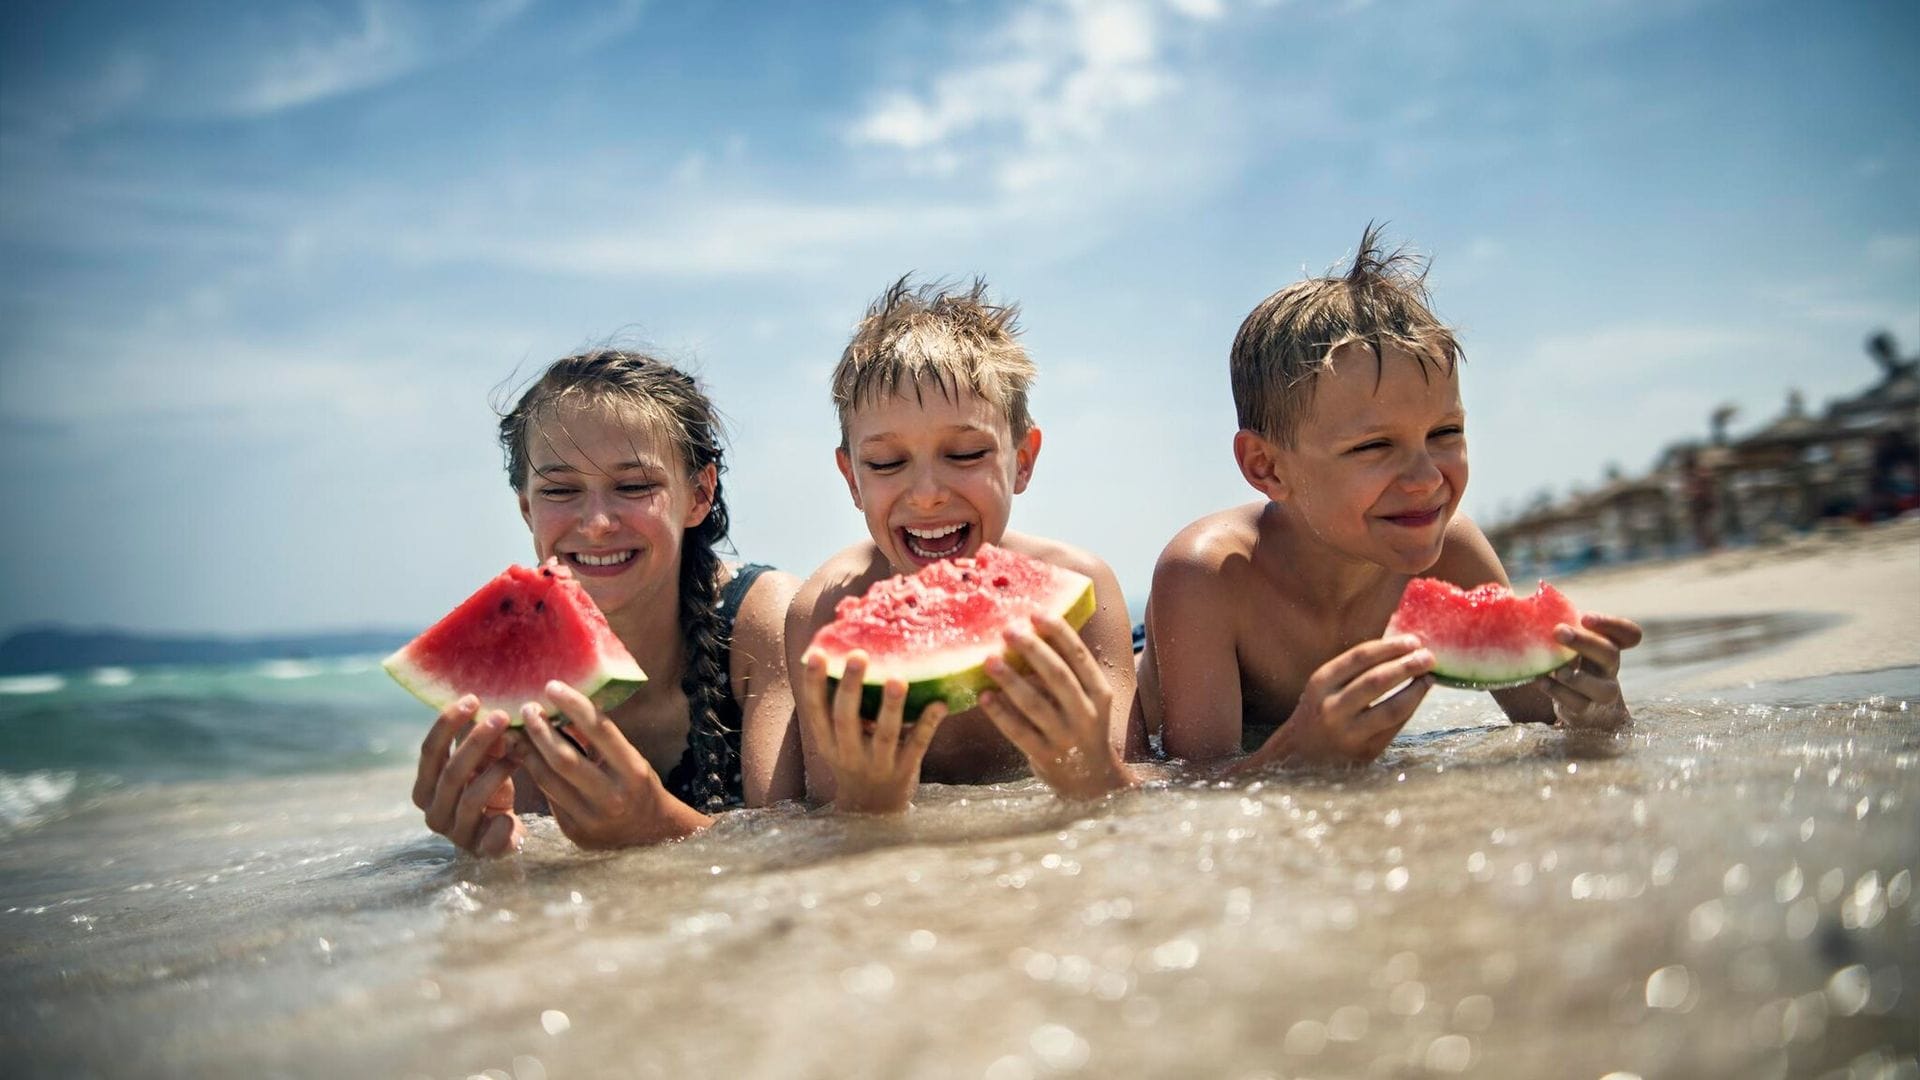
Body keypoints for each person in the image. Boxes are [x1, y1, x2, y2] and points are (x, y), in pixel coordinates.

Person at [1135, 227, 1643, 769]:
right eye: (1375, 445)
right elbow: (1190, 786)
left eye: (1445, 434)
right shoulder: (1207, 574)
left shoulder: (1453, 550)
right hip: (1157, 651)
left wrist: (1598, 713)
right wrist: (1293, 757)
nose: (1426, 479)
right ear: (1267, 467)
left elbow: (1548, 723)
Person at [413, 350, 801, 855]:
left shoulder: (765, 619)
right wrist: (494, 854)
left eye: (634, 485)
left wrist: (656, 823)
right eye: (559, 490)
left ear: (699, 495)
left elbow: (799, 852)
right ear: (527, 510)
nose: (596, 523)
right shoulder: (512, 671)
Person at [785, 278, 1144, 813]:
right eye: (886, 463)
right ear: (852, 479)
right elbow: (825, 822)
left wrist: (1095, 773)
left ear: (1022, 460)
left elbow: (1134, 794)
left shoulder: (1082, 590)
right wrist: (868, 802)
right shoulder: (823, 615)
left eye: (967, 453)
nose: (927, 495)